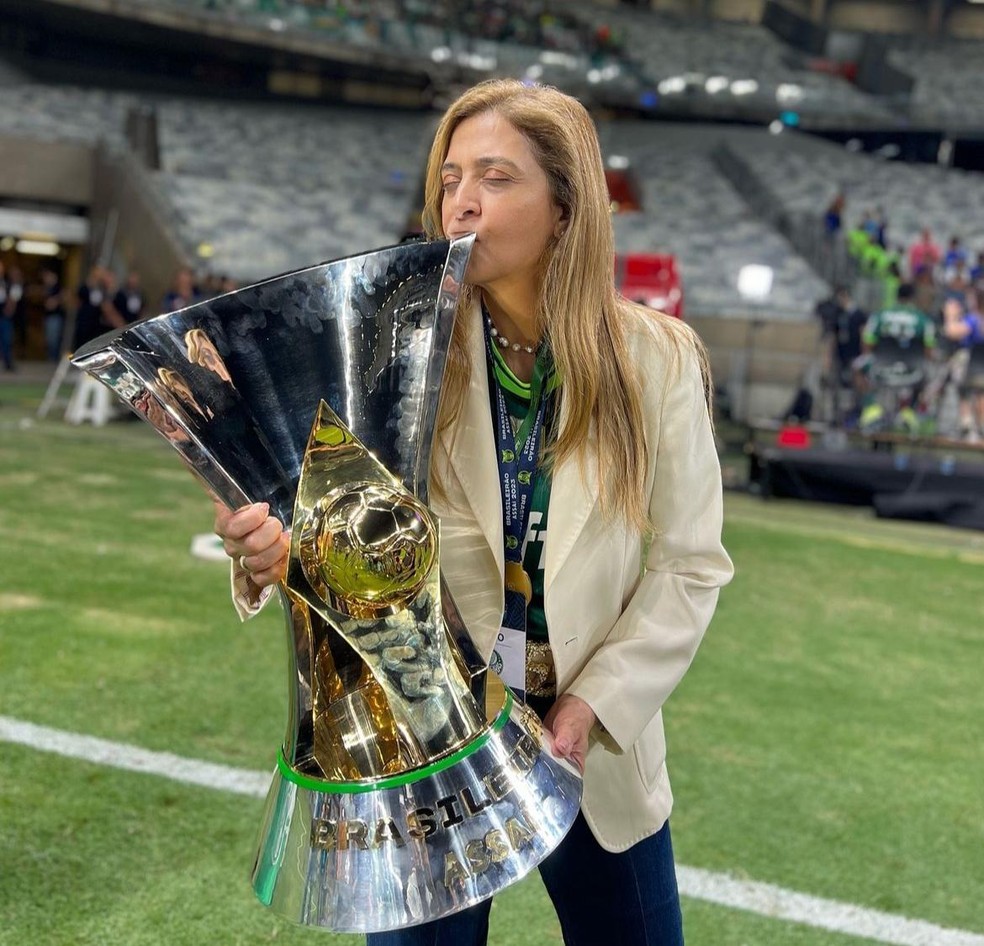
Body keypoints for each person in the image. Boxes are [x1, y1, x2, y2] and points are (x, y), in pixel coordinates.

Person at [213, 79, 733, 946]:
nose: (462, 201)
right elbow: (344, 545)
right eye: (451, 177)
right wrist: (268, 551)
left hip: (592, 747)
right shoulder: (390, 350)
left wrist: (595, 705)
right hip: (428, 746)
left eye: (495, 177)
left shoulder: (657, 360)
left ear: (565, 208)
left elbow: (691, 562)